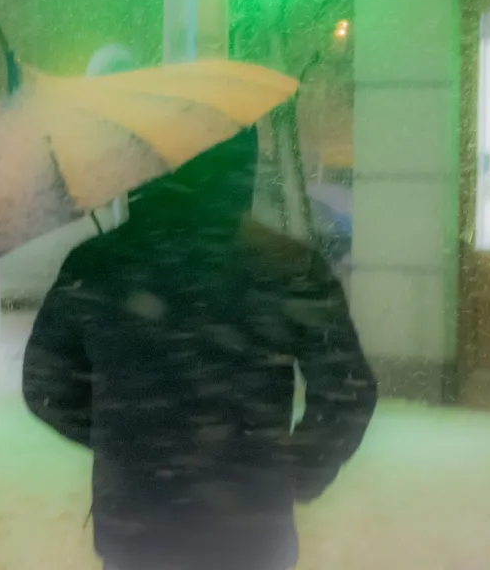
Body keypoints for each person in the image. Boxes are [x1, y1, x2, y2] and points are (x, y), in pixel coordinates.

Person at [22, 127, 377, 570]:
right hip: (249, 525)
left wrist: (126, 442)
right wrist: (295, 468)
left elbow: (46, 385)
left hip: (139, 523)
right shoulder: (287, 267)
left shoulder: (97, 265)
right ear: (242, 171)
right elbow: (348, 387)